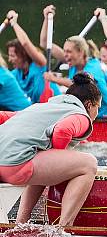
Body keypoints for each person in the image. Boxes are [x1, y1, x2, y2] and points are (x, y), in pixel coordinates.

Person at [0, 72, 100, 226]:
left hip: (4, 166)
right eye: (97, 107)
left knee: (42, 156)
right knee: (89, 164)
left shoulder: (40, 107)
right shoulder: (80, 115)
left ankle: (20, 223)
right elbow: (62, 131)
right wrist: (58, 156)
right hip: (16, 167)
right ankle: (64, 229)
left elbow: (4, 117)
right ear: (88, 105)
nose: (97, 114)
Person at [38, 5, 107, 118]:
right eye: (65, 51)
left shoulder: (93, 67)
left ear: (81, 52)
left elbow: (82, 86)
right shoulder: (73, 63)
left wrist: (54, 79)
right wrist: (47, 19)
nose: (65, 55)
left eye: (69, 52)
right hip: (89, 117)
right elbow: (44, 43)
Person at [5, 9, 60, 101]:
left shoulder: (39, 64)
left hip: (55, 105)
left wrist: (14, 23)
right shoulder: (15, 74)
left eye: (13, 56)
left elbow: (25, 43)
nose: (9, 60)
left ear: (23, 54)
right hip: (36, 110)